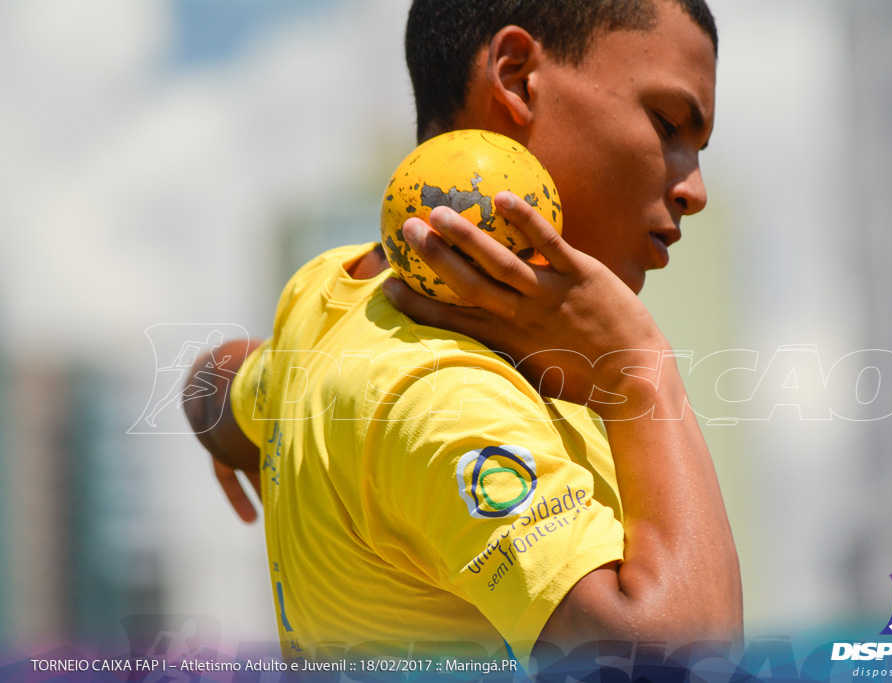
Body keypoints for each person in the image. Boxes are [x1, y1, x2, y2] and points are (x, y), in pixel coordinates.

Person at [184, 0, 742, 668]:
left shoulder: (327, 292)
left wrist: (220, 413)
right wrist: (639, 370)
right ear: (515, 76)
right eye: (668, 123)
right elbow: (682, 659)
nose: (695, 189)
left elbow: (219, 385)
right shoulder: (445, 391)